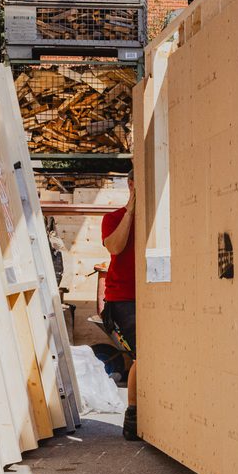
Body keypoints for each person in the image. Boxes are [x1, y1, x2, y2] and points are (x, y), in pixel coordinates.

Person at [99, 179, 139, 442]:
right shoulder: (113, 219)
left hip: (155, 296)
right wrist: (131, 212)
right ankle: (133, 417)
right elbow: (115, 247)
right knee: (143, 354)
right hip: (124, 299)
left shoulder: (159, 220)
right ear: (131, 184)